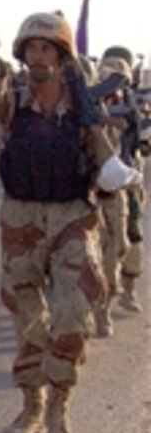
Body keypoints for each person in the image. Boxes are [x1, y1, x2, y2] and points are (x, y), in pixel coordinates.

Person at [0, 11, 141, 433]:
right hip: (21, 218)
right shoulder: (17, 101)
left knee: (71, 315)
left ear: (61, 56)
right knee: (26, 317)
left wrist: (113, 175)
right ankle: (31, 406)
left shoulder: (84, 109)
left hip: (71, 217)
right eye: (31, 49)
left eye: (46, 48)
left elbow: (104, 158)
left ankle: (59, 408)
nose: (38, 56)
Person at [99, 45, 149, 316]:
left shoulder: (134, 101)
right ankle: (102, 301)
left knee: (131, 237)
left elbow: (140, 139)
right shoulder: (89, 100)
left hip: (127, 178)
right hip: (98, 183)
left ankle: (128, 289)